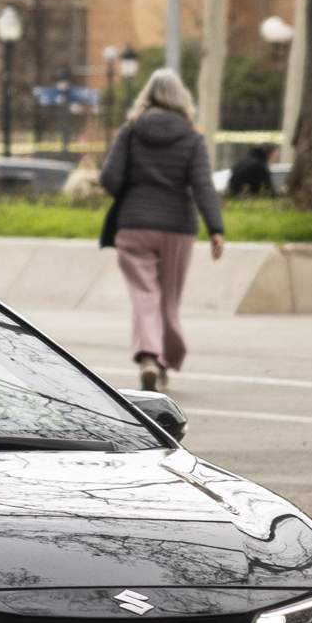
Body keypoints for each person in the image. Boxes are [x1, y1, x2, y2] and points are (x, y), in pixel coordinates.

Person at [100, 66, 224, 391]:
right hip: (177, 227)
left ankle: (150, 358)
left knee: (144, 295)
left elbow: (109, 179)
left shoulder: (130, 131)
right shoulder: (191, 136)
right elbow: (202, 186)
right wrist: (216, 229)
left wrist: (135, 184)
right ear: (181, 98)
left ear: (147, 96)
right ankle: (162, 360)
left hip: (134, 224)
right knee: (168, 300)